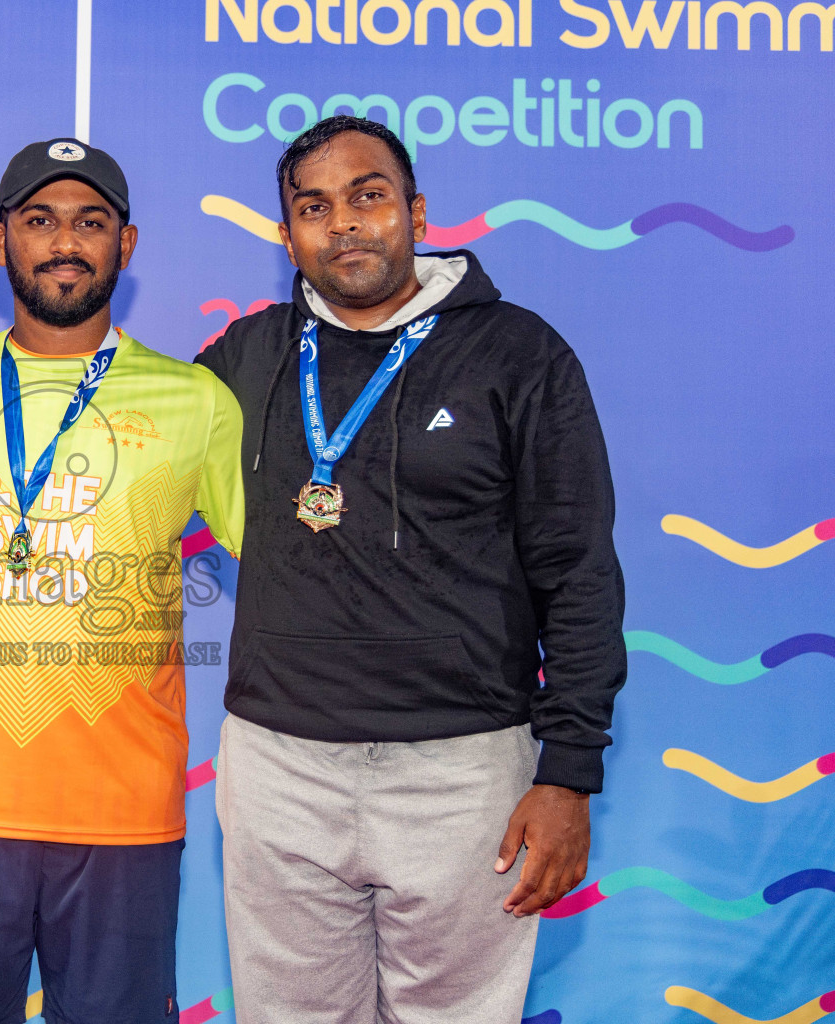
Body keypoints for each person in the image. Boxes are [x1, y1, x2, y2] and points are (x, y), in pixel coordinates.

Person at [197, 116, 625, 1023]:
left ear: (416, 212)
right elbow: (117, 413)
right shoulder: (244, 359)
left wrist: (570, 771)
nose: (344, 223)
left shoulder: (519, 354)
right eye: (314, 208)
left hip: (464, 774)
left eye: (368, 195)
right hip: (280, 769)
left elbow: (578, 569)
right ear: (287, 237)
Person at [0, 139, 244, 1024]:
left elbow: (285, 564)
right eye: (39, 221)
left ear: (128, 243)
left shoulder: (196, 400)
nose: (65, 242)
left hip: (124, 812)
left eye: (91, 221)